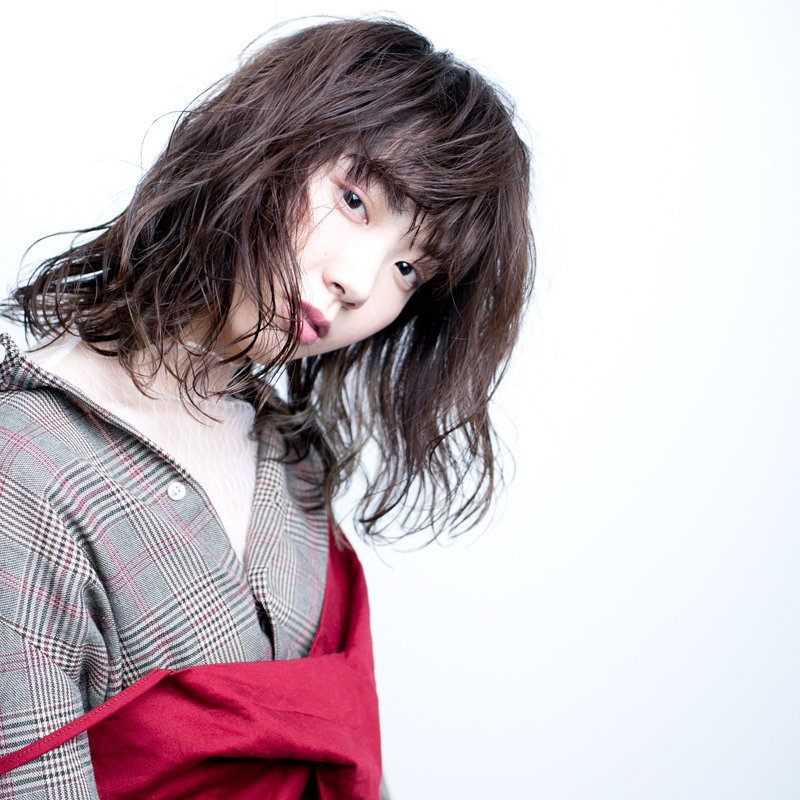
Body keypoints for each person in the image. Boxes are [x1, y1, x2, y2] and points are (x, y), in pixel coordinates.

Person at [0, 17, 533, 799]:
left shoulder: (294, 463)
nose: (360, 282)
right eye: (354, 200)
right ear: (264, 140)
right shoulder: (26, 470)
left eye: (410, 269)